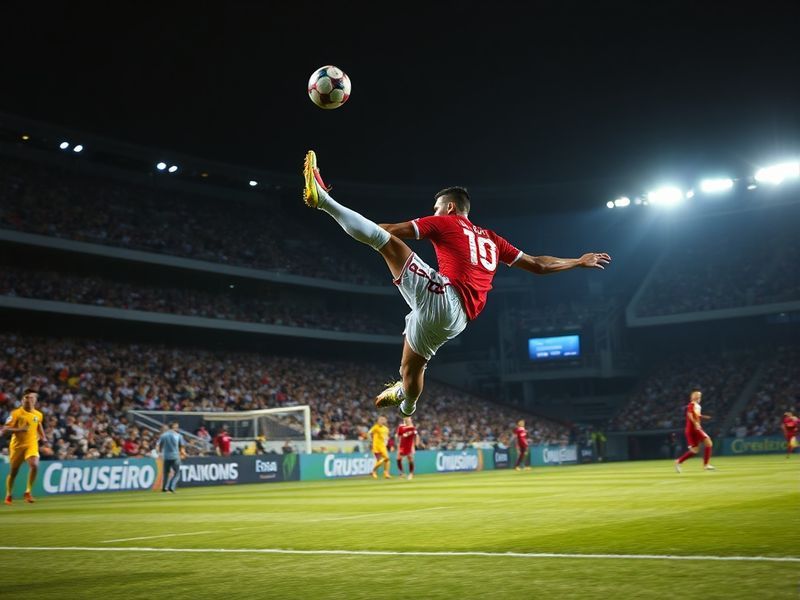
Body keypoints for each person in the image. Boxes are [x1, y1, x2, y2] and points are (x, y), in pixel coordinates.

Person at [302, 150, 611, 416]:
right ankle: (406, 407)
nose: (434, 213)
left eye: (436, 208)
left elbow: (389, 230)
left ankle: (324, 200)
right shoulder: (493, 239)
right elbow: (539, 265)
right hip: (457, 320)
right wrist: (577, 261)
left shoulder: (446, 222)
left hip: (445, 297)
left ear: (449, 208)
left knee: (385, 241)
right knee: (411, 371)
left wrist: (374, 233)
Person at [1, 389, 46, 504]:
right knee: (14, 472)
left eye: (31, 398)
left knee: (34, 465)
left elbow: (38, 423)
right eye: (26, 397)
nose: (28, 400)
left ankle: (28, 492)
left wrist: (43, 436)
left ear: (35, 401)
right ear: (22, 400)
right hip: (17, 446)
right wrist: (21, 429)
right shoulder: (15, 413)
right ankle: (9, 494)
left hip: (31, 444)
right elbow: (5, 429)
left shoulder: (38, 414)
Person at [674, 390, 715, 472]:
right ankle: (706, 465)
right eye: (698, 395)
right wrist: (695, 423)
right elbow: (690, 414)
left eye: (700, 395)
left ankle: (678, 461)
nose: (699, 397)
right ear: (694, 396)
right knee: (708, 443)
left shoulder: (697, 406)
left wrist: (703, 417)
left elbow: (696, 415)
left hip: (694, 429)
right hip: (694, 429)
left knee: (695, 450)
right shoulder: (691, 404)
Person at [157, 421, 186, 493]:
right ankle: (171, 487)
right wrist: (184, 454)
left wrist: (159, 453)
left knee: (166, 473)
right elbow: (182, 448)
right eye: (176, 427)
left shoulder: (163, 435)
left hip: (166, 457)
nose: (177, 428)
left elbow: (158, 445)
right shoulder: (179, 436)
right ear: (174, 427)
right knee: (177, 473)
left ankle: (164, 488)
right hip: (175, 456)